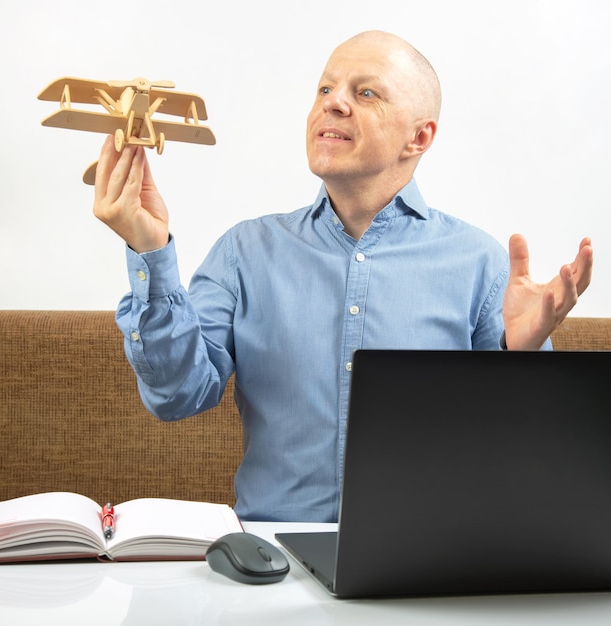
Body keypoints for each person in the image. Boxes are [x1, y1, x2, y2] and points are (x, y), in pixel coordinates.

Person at [92, 30, 593, 523]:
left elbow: (525, 452)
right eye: (325, 89)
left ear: (419, 137)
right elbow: (177, 396)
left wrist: (519, 361)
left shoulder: (482, 264)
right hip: (274, 562)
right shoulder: (244, 253)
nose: (333, 104)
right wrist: (149, 250)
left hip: (423, 561)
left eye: (366, 92)